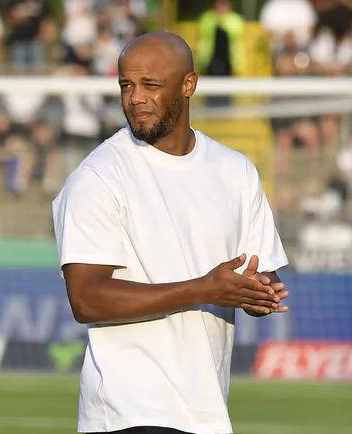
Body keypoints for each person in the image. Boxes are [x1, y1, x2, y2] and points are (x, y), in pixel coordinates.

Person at [52, 32, 289, 434]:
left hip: (206, 413)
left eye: (151, 85)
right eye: (126, 85)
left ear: (188, 84)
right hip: (129, 414)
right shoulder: (98, 177)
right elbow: (86, 298)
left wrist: (258, 293)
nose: (135, 98)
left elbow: (259, 273)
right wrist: (204, 289)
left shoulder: (235, 171)